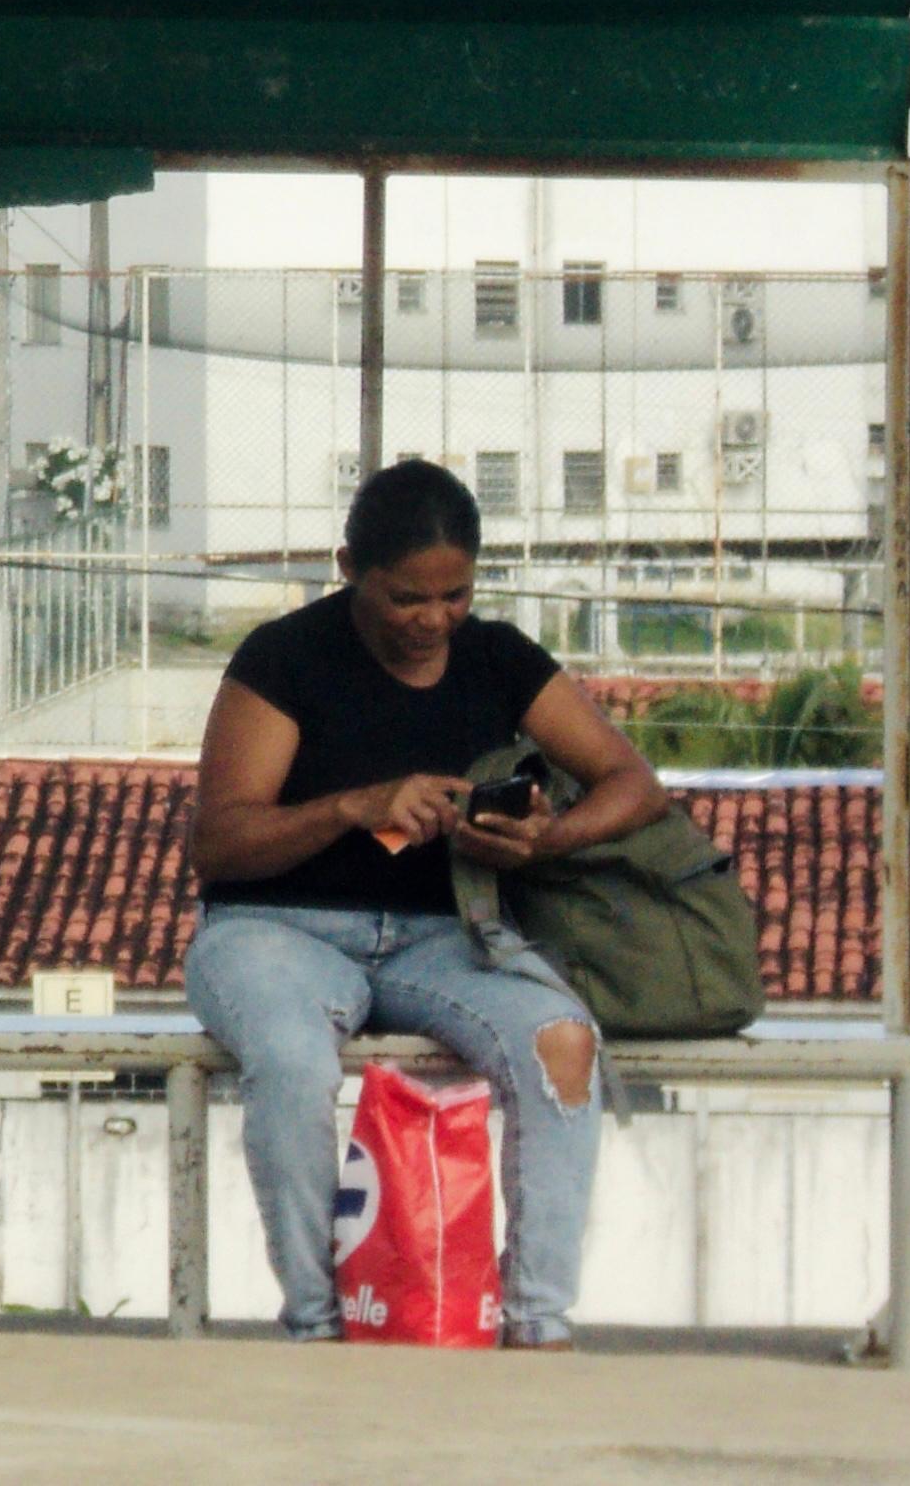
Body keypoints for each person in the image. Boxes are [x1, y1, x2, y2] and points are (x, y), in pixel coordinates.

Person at [184, 456, 664, 1346]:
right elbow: (217, 843)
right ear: (348, 570)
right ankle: (318, 1324)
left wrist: (542, 836)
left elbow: (633, 781)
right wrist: (348, 808)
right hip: (276, 931)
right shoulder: (284, 658)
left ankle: (538, 1325)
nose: (433, 621)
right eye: (408, 598)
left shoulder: (500, 659)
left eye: (456, 597)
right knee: (293, 1065)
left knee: (562, 1042)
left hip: (443, 937)